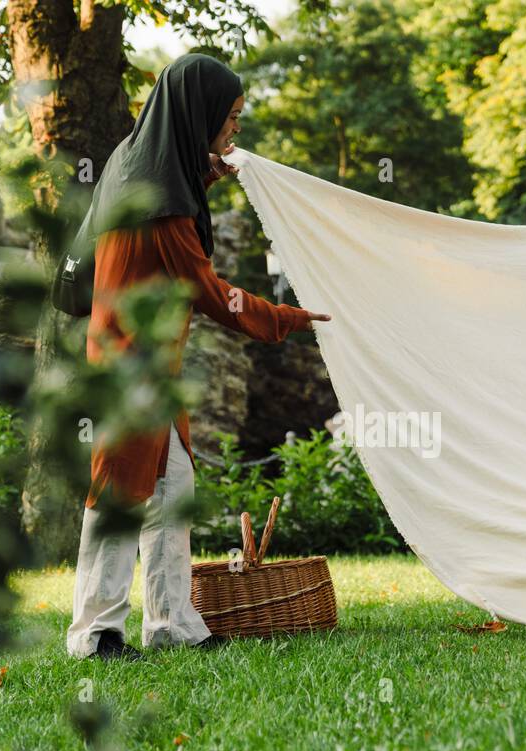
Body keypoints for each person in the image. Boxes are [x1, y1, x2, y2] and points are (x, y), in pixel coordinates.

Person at [66, 53, 331, 660]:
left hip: (148, 369)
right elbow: (213, 294)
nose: (235, 128)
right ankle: (95, 633)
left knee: (171, 490)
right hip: (130, 371)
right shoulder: (163, 202)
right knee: (120, 496)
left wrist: (207, 175)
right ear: (200, 114)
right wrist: (290, 318)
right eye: (231, 116)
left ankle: (173, 624)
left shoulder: (131, 162)